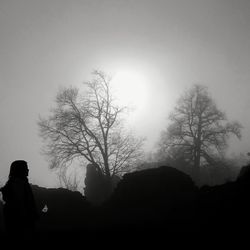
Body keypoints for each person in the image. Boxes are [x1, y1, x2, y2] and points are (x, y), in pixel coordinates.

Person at [0, 160, 39, 238]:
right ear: (20, 170)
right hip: (21, 224)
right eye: (26, 168)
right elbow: (21, 205)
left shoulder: (18, 184)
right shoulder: (19, 185)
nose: (28, 170)